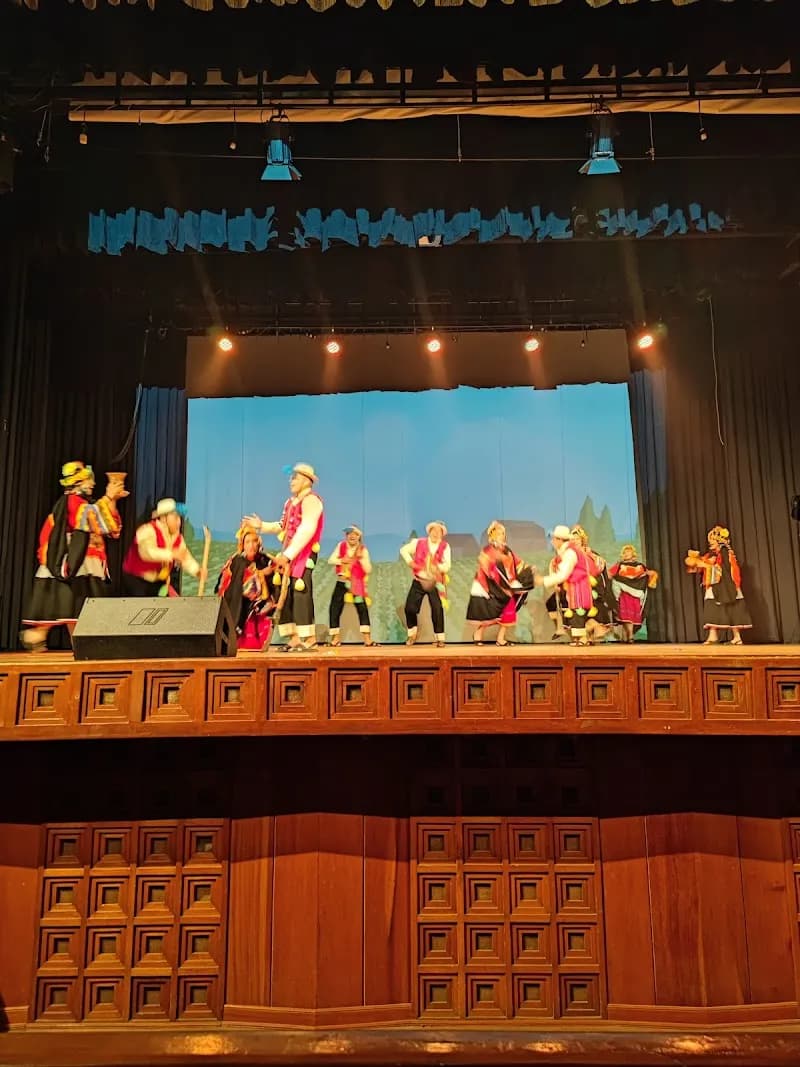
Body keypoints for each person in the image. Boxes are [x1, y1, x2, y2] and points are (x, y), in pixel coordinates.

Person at [21, 461, 127, 651]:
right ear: (78, 482)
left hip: (85, 563)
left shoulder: (83, 503)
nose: (93, 484)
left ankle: (47, 638)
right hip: (74, 562)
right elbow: (93, 521)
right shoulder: (72, 502)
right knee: (74, 605)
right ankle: (69, 643)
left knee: (76, 606)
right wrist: (108, 497)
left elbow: (112, 529)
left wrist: (112, 501)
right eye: (89, 480)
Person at [244, 462, 324, 652]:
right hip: (288, 553)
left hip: (303, 553)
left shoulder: (312, 500)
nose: (291, 480)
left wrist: (287, 555)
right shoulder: (290, 503)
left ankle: (308, 638)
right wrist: (261, 525)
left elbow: (307, 529)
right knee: (283, 591)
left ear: (306, 480)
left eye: (295, 477)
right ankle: (294, 636)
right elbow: (283, 525)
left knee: (300, 589)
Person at [466, 521, 534, 646]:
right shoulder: (488, 550)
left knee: (508, 612)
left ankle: (501, 638)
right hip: (492, 587)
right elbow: (487, 566)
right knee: (491, 614)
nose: (501, 535)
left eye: (502, 533)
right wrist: (501, 583)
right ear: (492, 535)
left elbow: (517, 563)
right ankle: (478, 634)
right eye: (498, 533)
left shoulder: (507, 551)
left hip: (508, 585)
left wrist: (528, 569)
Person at [122, 498, 205, 596]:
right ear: (163, 518)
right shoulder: (148, 530)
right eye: (175, 518)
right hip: (137, 579)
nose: (179, 522)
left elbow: (185, 557)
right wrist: (171, 554)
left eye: (179, 518)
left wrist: (197, 571)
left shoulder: (178, 538)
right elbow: (146, 552)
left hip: (158, 582)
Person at [685, 525, 751, 645]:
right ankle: (713, 636)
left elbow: (723, 568)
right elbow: (702, 567)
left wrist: (704, 564)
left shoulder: (725, 553)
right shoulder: (711, 555)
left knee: (733, 609)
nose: (710, 544)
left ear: (719, 542)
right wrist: (697, 563)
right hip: (715, 584)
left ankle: (736, 637)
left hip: (726, 584)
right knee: (713, 609)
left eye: (713, 542)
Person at [216, 524, 276, 651]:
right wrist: (257, 575)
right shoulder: (237, 561)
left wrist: (263, 574)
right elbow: (231, 585)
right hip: (239, 601)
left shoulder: (265, 560)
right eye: (248, 542)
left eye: (254, 541)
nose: (251, 545)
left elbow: (273, 574)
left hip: (257, 603)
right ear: (242, 545)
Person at [534, 524, 594, 646]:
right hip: (574, 587)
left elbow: (563, 574)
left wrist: (543, 580)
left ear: (560, 540)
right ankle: (579, 639)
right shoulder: (567, 552)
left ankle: (582, 638)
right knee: (574, 610)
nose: (552, 542)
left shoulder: (570, 553)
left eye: (554, 539)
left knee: (578, 610)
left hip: (579, 586)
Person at [400, 521, 451, 647]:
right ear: (429, 531)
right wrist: (410, 562)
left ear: (442, 534)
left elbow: (447, 565)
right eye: (434, 530)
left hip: (435, 582)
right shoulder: (419, 542)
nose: (436, 533)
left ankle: (439, 638)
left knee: (437, 609)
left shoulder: (445, 546)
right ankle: (412, 634)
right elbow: (403, 550)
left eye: (439, 531)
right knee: (409, 608)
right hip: (419, 580)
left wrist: (438, 567)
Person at [327, 525, 375, 647]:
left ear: (359, 536)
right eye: (349, 534)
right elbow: (331, 560)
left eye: (354, 534)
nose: (351, 536)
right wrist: (342, 560)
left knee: (362, 609)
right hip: (342, 582)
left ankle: (367, 639)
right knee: (334, 609)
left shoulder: (363, 550)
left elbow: (368, 569)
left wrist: (361, 560)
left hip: (356, 584)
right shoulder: (341, 546)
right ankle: (335, 639)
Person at [571, 524, 614, 643]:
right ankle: (586, 637)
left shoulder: (589, 553)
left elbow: (598, 568)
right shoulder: (572, 554)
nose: (574, 541)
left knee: (588, 610)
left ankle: (594, 630)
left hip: (590, 587)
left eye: (577, 539)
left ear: (582, 540)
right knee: (580, 612)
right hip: (579, 588)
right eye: (572, 540)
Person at [609, 544, 659, 643]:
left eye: (628, 551)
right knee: (625, 616)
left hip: (635, 595)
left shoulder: (640, 566)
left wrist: (653, 576)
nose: (626, 553)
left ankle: (629, 635)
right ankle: (629, 636)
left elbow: (648, 574)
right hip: (624, 595)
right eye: (625, 552)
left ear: (633, 553)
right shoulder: (619, 565)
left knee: (632, 616)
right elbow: (610, 574)